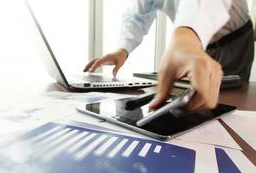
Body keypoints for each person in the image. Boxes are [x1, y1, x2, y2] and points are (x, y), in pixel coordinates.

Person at [83, 0, 254, 111]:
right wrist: (122, 50)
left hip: (234, 40)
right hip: (196, 46)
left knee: (231, 100)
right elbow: (136, 15)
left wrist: (185, 37)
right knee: (195, 99)